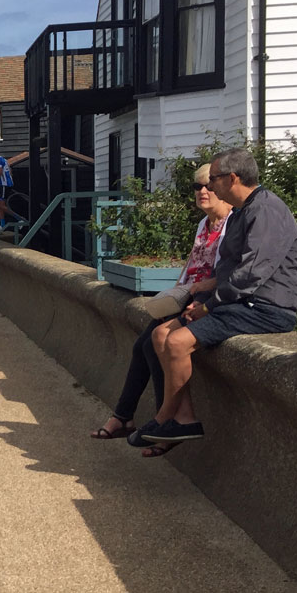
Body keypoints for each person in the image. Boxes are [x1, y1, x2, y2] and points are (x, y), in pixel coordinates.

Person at [136, 148, 297, 446]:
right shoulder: (243, 210)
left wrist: (209, 306)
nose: (208, 187)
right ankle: (184, 419)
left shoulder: (265, 211)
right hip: (240, 302)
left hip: (265, 308)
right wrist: (207, 292)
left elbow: (252, 273)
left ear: (233, 178)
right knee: (161, 334)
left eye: (213, 179)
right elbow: (232, 270)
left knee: (176, 341)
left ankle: (164, 418)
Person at [89, 162, 232, 457]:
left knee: (152, 343)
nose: (202, 191)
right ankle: (134, 417)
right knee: (144, 343)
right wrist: (173, 295)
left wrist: (196, 301)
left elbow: (229, 276)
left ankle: (158, 421)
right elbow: (191, 269)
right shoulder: (203, 225)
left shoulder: (233, 224)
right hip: (186, 297)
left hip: (207, 303)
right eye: (197, 187)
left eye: (208, 185)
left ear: (223, 188)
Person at [0, 145, 25, 228]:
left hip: (5, 185)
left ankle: (20, 219)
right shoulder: (3, 160)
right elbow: (7, 172)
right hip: (4, 184)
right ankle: (3, 224)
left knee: (1, 205)